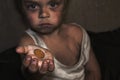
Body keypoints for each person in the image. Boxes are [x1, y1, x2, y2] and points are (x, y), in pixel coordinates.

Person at [15, 0, 101, 80]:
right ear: (22, 10)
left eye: (53, 4)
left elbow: (93, 71)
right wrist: (34, 70)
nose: (44, 14)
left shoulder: (78, 34)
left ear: (64, 6)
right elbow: (30, 76)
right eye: (33, 6)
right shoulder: (28, 42)